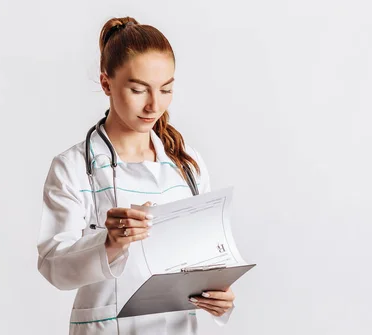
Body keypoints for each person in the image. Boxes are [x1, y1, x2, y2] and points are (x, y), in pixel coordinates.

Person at [36, 16, 235, 334]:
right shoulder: (73, 167)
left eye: (166, 89)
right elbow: (52, 267)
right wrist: (110, 243)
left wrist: (219, 298)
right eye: (139, 90)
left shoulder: (188, 165)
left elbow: (206, 261)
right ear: (106, 84)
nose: (154, 105)